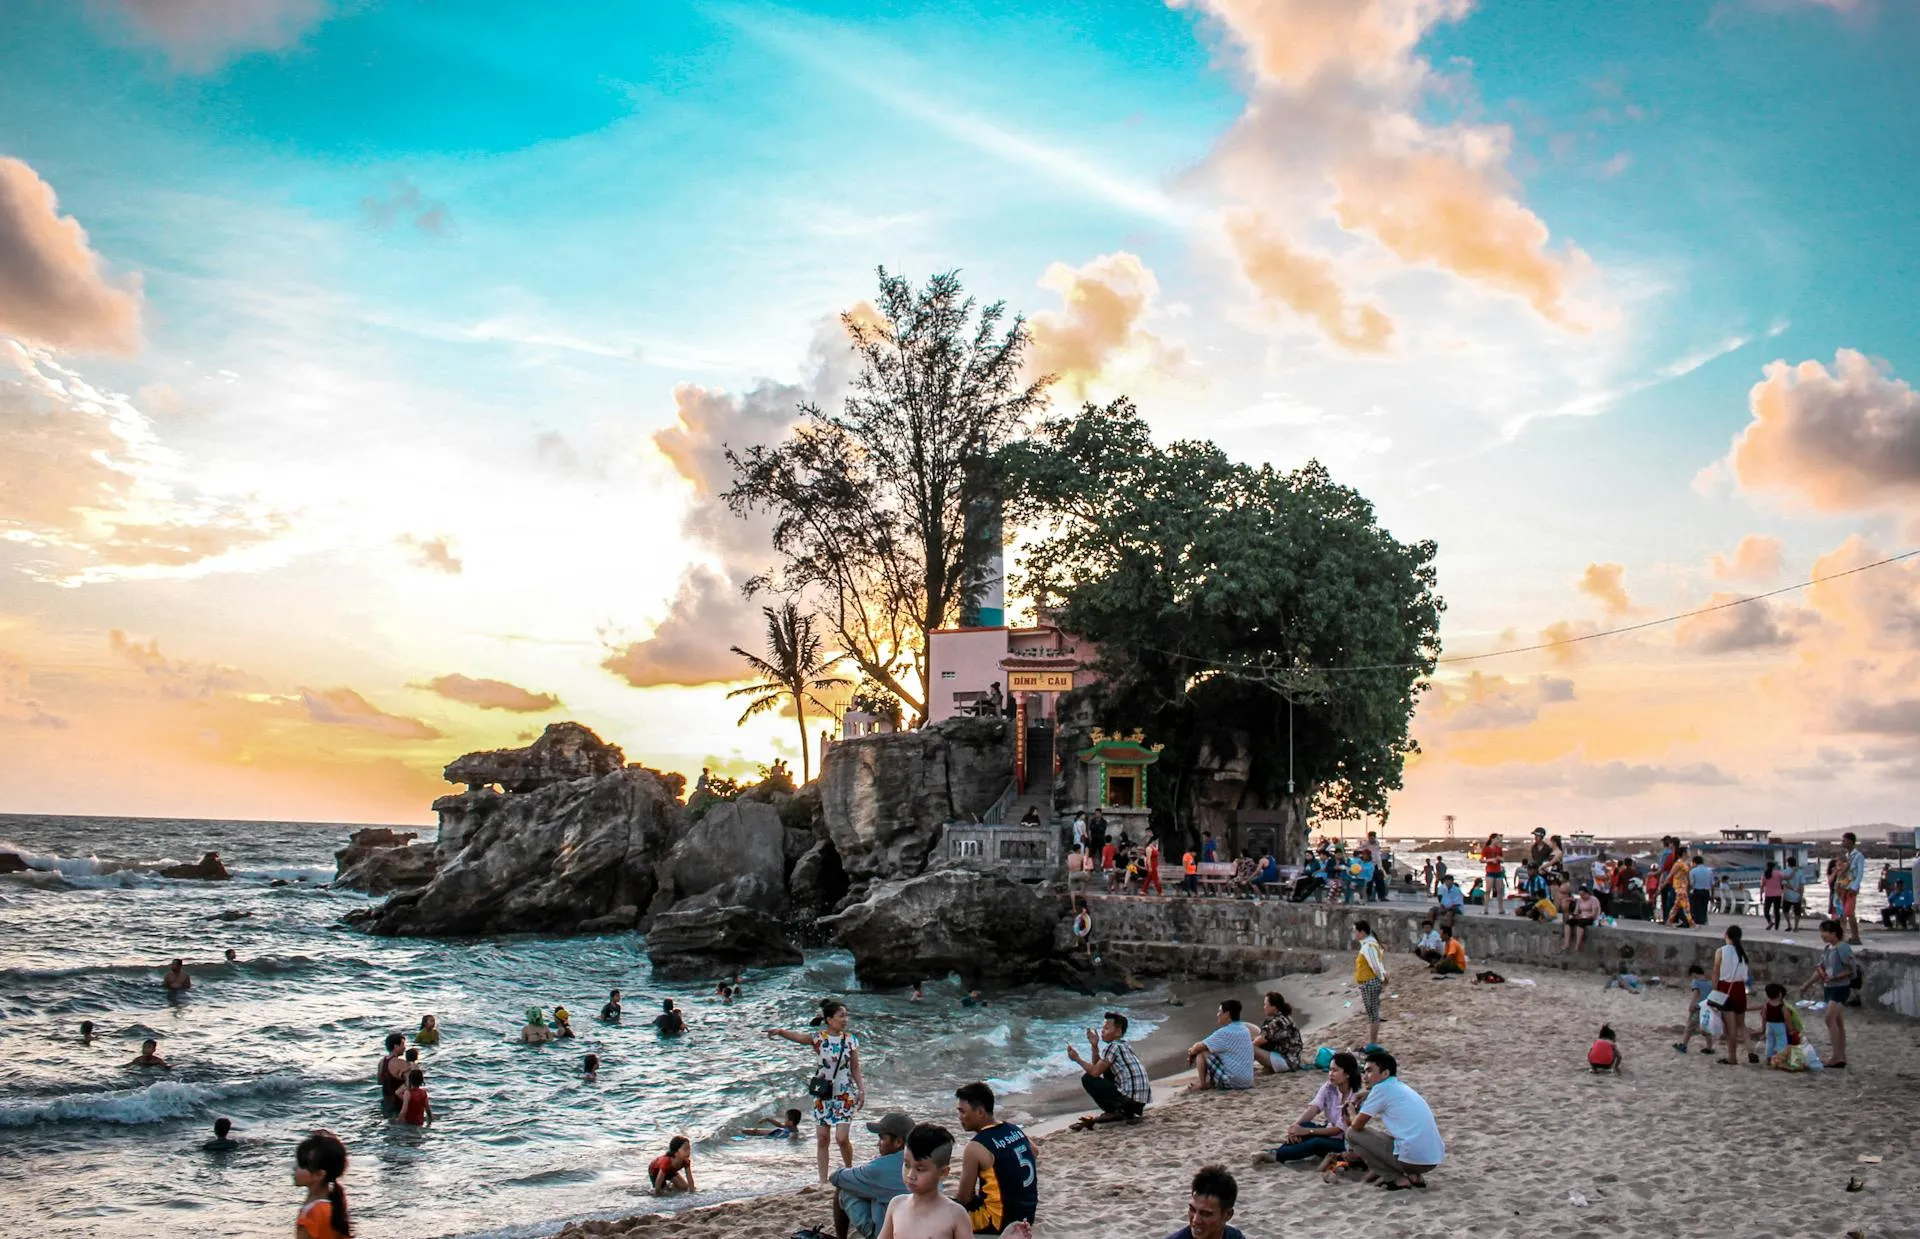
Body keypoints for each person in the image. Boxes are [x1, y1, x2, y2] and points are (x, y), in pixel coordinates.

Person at [769, 998, 866, 1182]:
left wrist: (861, 1091)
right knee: (822, 1139)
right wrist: (781, 1032)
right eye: (841, 1016)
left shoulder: (851, 1040)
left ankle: (849, 1171)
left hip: (844, 1093)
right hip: (823, 1093)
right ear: (829, 1019)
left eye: (846, 1016)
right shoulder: (819, 1038)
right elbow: (798, 1037)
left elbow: (855, 1068)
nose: (845, 1020)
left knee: (841, 1138)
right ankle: (822, 1181)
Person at [1345, 1050, 1444, 1190]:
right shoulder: (1399, 1086)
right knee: (1394, 1137)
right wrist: (1369, 1094)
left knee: (1351, 1134)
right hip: (1432, 1159)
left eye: (1369, 1071)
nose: (1365, 1076)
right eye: (1364, 1072)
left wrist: (1351, 1112)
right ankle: (1414, 1176)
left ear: (1385, 1073)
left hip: (1413, 1160)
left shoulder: (1381, 1089)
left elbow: (1356, 1126)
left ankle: (1396, 1178)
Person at [952, 1082, 1037, 1235]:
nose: (960, 1117)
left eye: (962, 1112)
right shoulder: (1013, 1129)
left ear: (979, 1112)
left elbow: (964, 1198)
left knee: (943, 1215)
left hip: (999, 1222)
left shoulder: (975, 1147)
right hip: (1027, 1215)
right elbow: (1034, 1151)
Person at [1255, 1050, 1361, 1164]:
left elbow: (1338, 1130)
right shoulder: (1329, 1087)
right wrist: (1295, 1128)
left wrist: (1308, 1131)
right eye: (1330, 1069)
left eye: (1335, 1070)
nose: (1330, 1073)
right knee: (1303, 1125)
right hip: (1329, 1131)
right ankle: (1276, 1152)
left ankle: (1276, 1155)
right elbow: (1313, 1109)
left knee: (1316, 1141)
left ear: (1347, 1074)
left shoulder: (1355, 1097)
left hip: (1344, 1142)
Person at [876, 1123, 978, 1239]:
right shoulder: (896, 1205)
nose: (910, 1175)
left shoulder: (955, 1214)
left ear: (943, 1172)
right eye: (907, 1165)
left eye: (920, 1169)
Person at [830, 1111, 911, 1239]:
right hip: (919, 1228)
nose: (878, 1143)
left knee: (844, 1188)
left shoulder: (880, 1168)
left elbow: (836, 1177)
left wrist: (864, 1169)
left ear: (898, 1142)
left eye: (882, 1138)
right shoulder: (923, 1161)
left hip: (887, 1234)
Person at [1067, 1010, 1150, 1126]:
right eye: (1102, 1028)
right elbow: (1098, 1066)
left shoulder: (1113, 1047)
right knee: (1105, 1070)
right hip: (1139, 1102)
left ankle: (1113, 1112)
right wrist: (1094, 1045)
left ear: (1118, 1032)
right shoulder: (1124, 1045)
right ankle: (1121, 1111)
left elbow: (1094, 1073)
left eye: (1106, 1029)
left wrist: (1077, 1059)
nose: (1102, 1032)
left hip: (1130, 1099)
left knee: (1087, 1079)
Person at [1800, 918, 1854, 1068]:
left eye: (1824, 932)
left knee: (1829, 1019)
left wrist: (1835, 977)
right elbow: (1820, 970)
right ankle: (1841, 1055)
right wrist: (1806, 985)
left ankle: (1836, 1056)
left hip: (1840, 987)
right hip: (1829, 987)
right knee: (1837, 1022)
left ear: (1834, 933)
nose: (1822, 935)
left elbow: (1851, 969)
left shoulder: (1842, 948)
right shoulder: (1828, 949)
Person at [1185, 999, 1255, 1092]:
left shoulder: (1223, 1033)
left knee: (1202, 1052)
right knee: (1213, 1050)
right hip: (1248, 1081)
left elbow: (1199, 1047)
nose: (1218, 1014)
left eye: (1219, 1011)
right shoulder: (1245, 1029)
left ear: (1227, 1014)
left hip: (1234, 1082)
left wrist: (1191, 1052)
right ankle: (1209, 1082)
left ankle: (1202, 1084)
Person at [293, 1129, 351, 1238]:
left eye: (302, 1165)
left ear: (319, 1174)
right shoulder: (333, 1208)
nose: (295, 1168)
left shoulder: (311, 1213)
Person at [1711, 925, 1752, 1066]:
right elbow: (1746, 976)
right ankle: (1751, 1050)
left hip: (1725, 988)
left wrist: (1714, 989)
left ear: (1726, 934)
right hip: (1740, 989)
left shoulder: (1721, 951)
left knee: (1730, 1028)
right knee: (1742, 1024)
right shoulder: (1743, 953)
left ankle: (1732, 1057)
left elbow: (1716, 972)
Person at [1166, 1164, 1243, 1239]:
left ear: (1228, 1215)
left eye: (1205, 1214)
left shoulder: (1235, 1236)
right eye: (1192, 1210)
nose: (1195, 1220)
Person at [1352, 920, 1387, 1046]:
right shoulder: (1369, 944)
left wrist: (1382, 978)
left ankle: (1372, 1042)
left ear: (1362, 932)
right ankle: (1372, 1042)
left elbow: (1375, 965)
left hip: (1370, 982)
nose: (1354, 934)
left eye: (1356, 931)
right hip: (1368, 982)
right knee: (1372, 1013)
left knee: (1373, 1014)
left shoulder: (1368, 946)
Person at [1252, 991, 1304, 1073]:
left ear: (1274, 1007)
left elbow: (1258, 1041)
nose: (1264, 1007)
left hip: (1288, 1062)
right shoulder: (1284, 1017)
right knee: (1256, 1035)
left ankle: (1243, 1068)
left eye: (1266, 1004)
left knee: (1251, 1048)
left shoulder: (1278, 1022)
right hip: (1293, 1059)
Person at [1672, 963, 1716, 1056]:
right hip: (1707, 1008)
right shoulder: (1710, 982)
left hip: (1698, 1008)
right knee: (1706, 1028)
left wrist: (1691, 1005)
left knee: (1690, 1027)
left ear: (1694, 974)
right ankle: (1709, 1048)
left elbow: (1696, 994)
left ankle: (1684, 1045)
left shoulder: (1696, 982)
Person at [1758, 982, 1804, 1068]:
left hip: (1769, 1025)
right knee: (1781, 1042)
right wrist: (1791, 1030)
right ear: (1780, 994)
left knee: (1770, 1042)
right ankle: (1778, 1059)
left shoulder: (1766, 1005)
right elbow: (1787, 1019)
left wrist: (1763, 1028)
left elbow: (1763, 1017)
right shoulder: (1782, 1007)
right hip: (1779, 1026)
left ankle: (1768, 1058)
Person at [1839, 832, 1866, 944]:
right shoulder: (1847, 856)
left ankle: (1856, 937)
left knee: (1850, 912)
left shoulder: (1858, 856)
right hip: (1845, 887)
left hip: (1851, 887)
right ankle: (1850, 936)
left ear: (1850, 841)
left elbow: (1859, 874)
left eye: (1844, 840)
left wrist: (1855, 887)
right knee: (1846, 913)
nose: (1843, 842)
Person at [1565, 885, 1602, 952]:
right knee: (1568, 922)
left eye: (1583, 894)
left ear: (1587, 893)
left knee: (1580, 924)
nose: (1582, 896)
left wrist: (1584, 917)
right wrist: (1574, 915)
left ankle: (1577, 945)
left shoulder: (1594, 900)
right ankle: (1566, 943)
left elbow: (1594, 914)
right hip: (1581, 916)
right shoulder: (1579, 900)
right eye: (1580, 895)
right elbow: (1576, 911)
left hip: (1590, 917)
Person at [378, 1032, 408, 1107]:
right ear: (396, 1046)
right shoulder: (401, 1063)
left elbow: (379, 1082)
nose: (404, 1048)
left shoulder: (382, 1062)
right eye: (403, 1044)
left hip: (386, 1103)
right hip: (399, 1104)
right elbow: (412, 1083)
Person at [1481, 834, 1507, 914]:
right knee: (1488, 890)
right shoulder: (1486, 848)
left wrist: (1500, 859)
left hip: (1498, 871)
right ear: (1492, 839)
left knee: (1499, 890)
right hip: (1490, 871)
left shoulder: (1499, 849)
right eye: (1497, 839)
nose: (1498, 841)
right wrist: (1491, 860)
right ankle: (1485, 909)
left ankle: (1501, 909)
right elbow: (1481, 860)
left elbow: (1503, 859)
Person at [1689, 853, 1715, 927]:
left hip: (1697, 892)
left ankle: (1698, 924)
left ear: (1694, 862)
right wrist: (1712, 896)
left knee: (1696, 909)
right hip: (1706, 892)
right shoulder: (1709, 871)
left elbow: (1691, 884)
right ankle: (1703, 922)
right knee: (1704, 909)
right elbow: (1712, 885)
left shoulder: (1693, 871)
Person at [1782, 860, 1806, 932]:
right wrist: (1801, 895)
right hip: (1797, 895)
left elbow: (1784, 883)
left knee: (1785, 911)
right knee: (1797, 912)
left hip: (1787, 895)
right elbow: (1802, 885)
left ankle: (1789, 925)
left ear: (1788, 863)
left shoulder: (1785, 871)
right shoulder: (1800, 872)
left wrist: (1793, 889)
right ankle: (1796, 927)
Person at [1760, 862, 1784, 932]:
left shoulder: (1765, 874)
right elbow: (1785, 879)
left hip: (1768, 895)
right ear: (1774, 867)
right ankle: (1776, 927)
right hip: (1777, 895)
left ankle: (1770, 922)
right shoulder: (1778, 873)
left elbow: (1762, 886)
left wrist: (1761, 896)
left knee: (1766, 911)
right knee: (1777, 911)